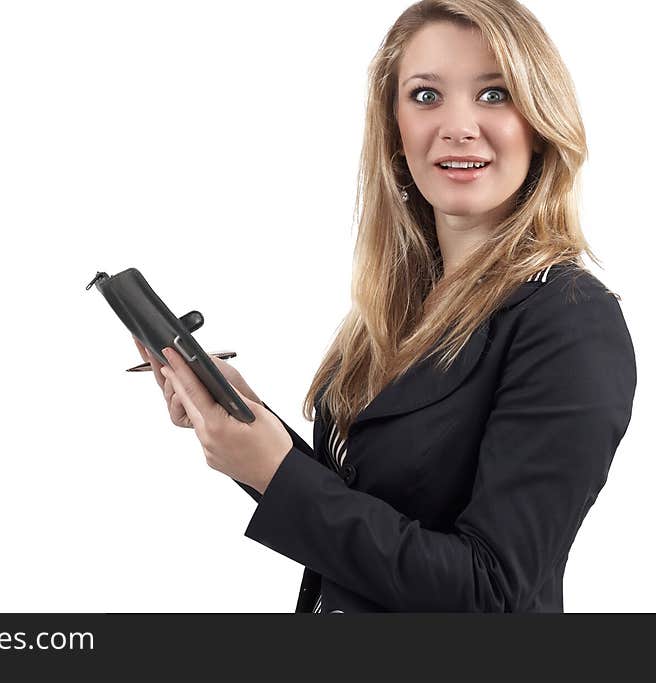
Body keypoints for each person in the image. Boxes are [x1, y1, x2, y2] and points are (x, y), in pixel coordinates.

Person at [133, 0, 636, 613]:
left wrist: (275, 475)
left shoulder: (571, 321)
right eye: (426, 96)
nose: (457, 126)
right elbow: (374, 510)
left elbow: (491, 594)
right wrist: (247, 430)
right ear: (395, 128)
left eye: (494, 94)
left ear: (540, 120)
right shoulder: (403, 307)